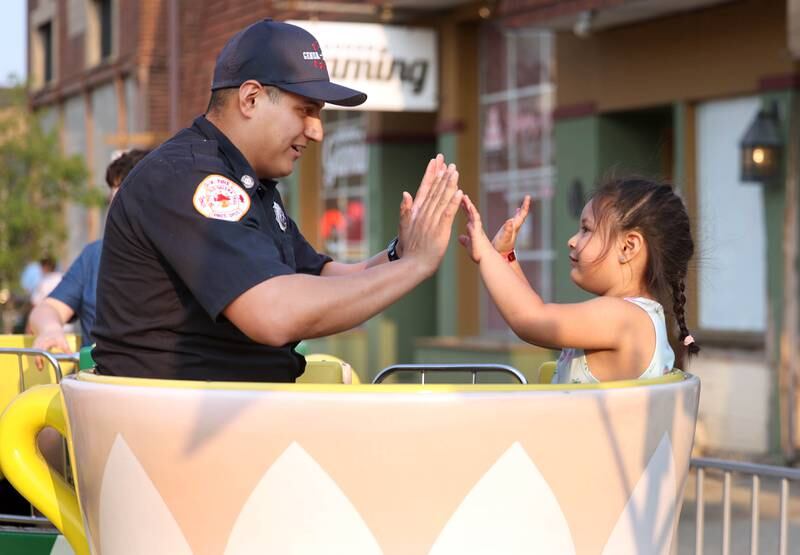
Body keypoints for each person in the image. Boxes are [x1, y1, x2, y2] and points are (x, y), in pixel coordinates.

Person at [92, 19, 463, 382]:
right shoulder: (191, 179)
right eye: (305, 110)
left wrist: (399, 254)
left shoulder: (248, 180)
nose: (317, 131)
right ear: (250, 98)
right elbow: (273, 314)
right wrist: (414, 266)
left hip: (231, 415)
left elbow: (320, 277)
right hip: (172, 426)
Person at [459, 176, 699, 383]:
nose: (572, 240)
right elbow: (534, 312)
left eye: (586, 230)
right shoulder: (637, 316)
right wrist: (504, 256)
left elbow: (531, 318)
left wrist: (486, 256)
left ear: (628, 247)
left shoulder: (621, 317)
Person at [28, 149, 150, 363]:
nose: (115, 201)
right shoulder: (94, 256)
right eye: (113, 191)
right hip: (95, 384)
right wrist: (50, 329)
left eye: (124, 191)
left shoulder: (183, 254)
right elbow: (47, 309)